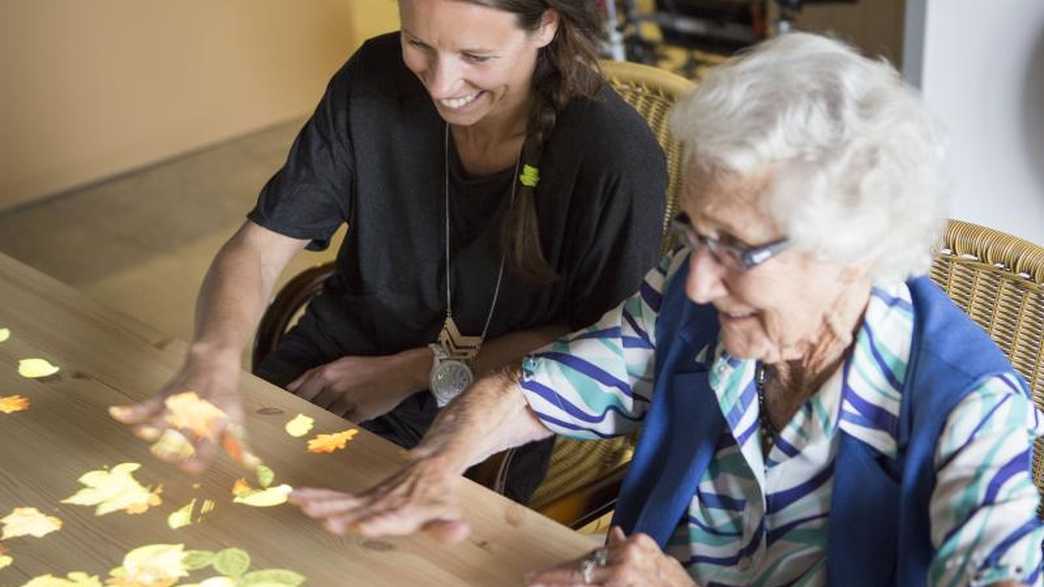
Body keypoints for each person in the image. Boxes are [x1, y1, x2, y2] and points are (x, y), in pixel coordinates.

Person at [288, 33, 1044, 586]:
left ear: (853, 252)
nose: (700, 280)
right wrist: (435, 463)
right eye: (695, 232)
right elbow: (533, 388)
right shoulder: (691, 292)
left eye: (737, 249)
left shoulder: (967, 412)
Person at [109, 0, 667, 504]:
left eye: (476, 56)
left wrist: (412, 371)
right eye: (418, 44)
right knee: (172, 493)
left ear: (547, 25)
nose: (441, 84)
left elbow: (603, 350)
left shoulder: (613, 156)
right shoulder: (374, 78)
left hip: (484, 417)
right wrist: (212, 356)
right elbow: (258, 247)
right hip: (327, 367)